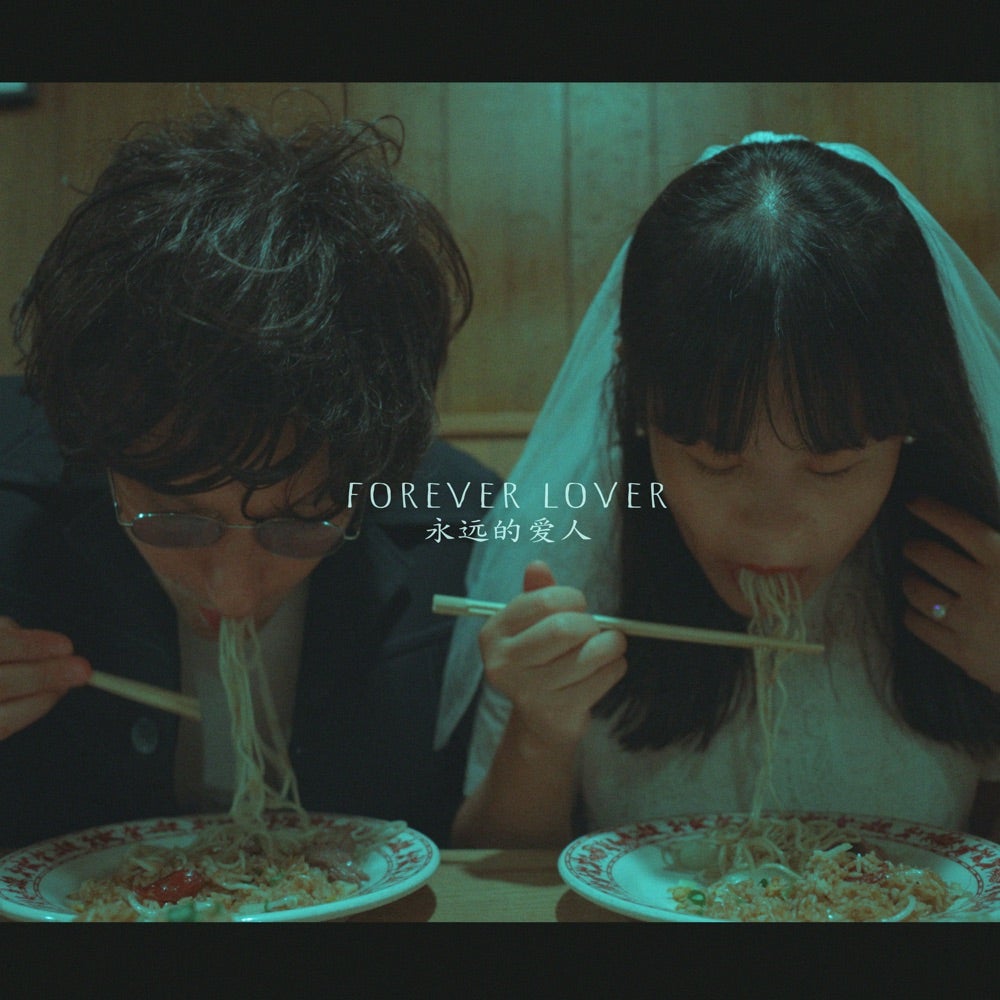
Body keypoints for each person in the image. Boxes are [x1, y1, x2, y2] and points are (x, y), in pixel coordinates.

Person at [436, 132, 1000, 849]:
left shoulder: (977, 558)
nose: (773, 533)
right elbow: (490, 870)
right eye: (713, 461)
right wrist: (540, 727)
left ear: (910, 415)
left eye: (833, 467)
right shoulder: (581, 536)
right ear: (639, 399)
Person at [0, 105, 499, 849]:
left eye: (300, 524)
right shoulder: (15, 498)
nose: (232, 596)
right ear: (97, 447)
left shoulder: (462, 529)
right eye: (176, 518)